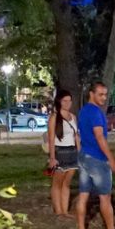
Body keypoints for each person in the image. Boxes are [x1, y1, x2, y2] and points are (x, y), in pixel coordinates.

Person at [75, 82, 115, 229]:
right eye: (100, 94)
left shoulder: (83, 111)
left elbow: (80, 135)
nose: (103, 97)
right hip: (97, 159)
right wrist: (111, 159)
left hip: (84, 157)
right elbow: (100, 137)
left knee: (83, 196)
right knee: (105, 198)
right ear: (91, 94)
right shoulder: (96, 113)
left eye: (105, 94)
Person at [45, 89, 80, 218]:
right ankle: (58, 212)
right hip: (60, 152)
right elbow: (51, 138)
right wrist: (52, 158)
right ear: (59, 101)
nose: (67, 103)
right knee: (57, 184)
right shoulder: (54, 117)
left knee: (66, 184)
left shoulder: (73, 117)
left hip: (72, 152)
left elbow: (76, 136)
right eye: (65, 101)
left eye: (69, 101)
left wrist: (80, 153)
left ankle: (65, 211)